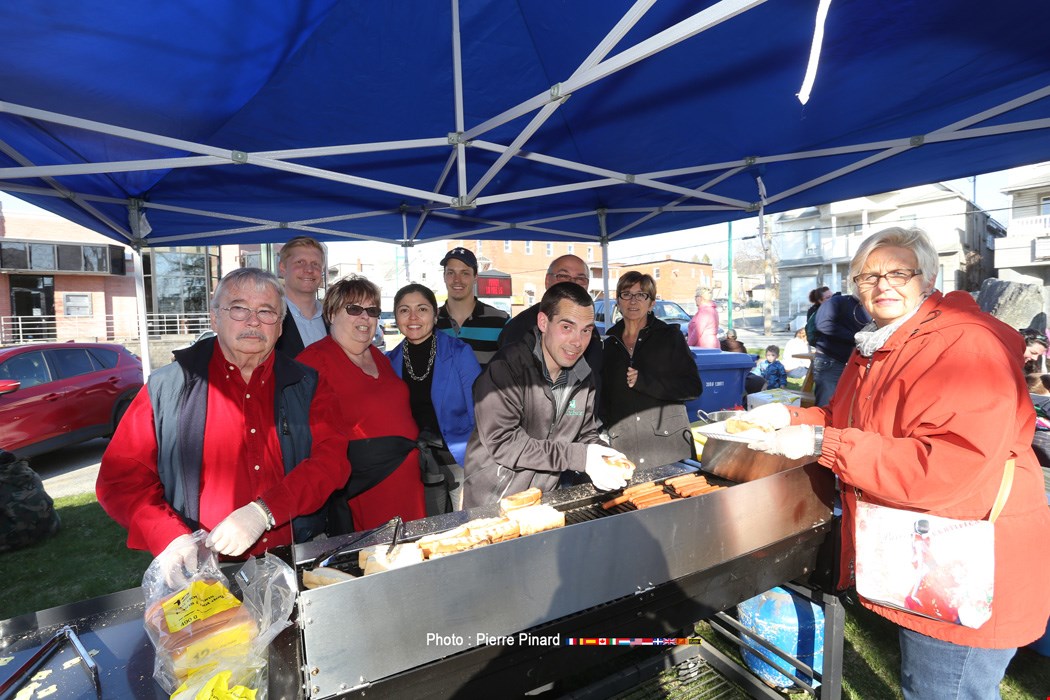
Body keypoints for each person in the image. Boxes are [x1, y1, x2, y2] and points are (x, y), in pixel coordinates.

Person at [741, 227, 1050, 699]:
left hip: (968, 562)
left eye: (898, 272)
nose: (883, 284)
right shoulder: (884, 342)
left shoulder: (964, 344)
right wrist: (788, 415)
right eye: (867, 276)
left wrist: (825, 442)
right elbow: (855, 419)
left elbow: (947, 465)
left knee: (941, 689)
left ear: (927, 277)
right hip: (920, 552)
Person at [96, 268, 348, 584]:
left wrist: (264, 512)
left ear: (281, 328)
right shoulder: (166, 388)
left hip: (294, 559)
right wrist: (169, 536)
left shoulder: (308, 384)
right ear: (215, 319)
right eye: (239, 308)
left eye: (267, 312)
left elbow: (331, 461)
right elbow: (121, 480)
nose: (253, 321)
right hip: (203, 572)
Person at [463, 283, 630, 507]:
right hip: (494, 502)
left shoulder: (583, 376)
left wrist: (606, 457)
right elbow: (504, 442)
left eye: (586, 330)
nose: (577, 342)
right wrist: (581, 457)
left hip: (542, 499)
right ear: (543, 322)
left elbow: (584, 434)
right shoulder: (507, 369)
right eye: (567, 327)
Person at [297, 275, 426, 532]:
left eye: (371, 310)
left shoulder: (379, 356)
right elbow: (300, 438)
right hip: (363, 490)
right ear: (332, 314)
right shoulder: (312, 362)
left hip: (408, 486)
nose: (365, 317)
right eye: (354, 309)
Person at [387, 283, 481, 514]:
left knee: (466, 526)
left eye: (422, 309)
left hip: (460, 458)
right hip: (415, 462)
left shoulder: (459, 352)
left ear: (436, 314)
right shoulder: (388, 361)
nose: (413, 317)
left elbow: (480, 411)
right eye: (404, 310)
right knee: (426, 529)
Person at [601, 272, 702, 467]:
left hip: (668, 448)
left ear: (652, 303)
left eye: (641, 295)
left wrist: (645, 382)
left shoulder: (669, 337)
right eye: (626, 294)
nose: (633, 301)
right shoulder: (608, 343)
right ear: (618, 301)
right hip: (624, 448)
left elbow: (692, 387)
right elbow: (604, 398)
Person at [498, 253, 602, 380]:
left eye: (580, 278)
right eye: (563, 276)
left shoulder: (589, 328)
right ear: (547, 281)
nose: (572, 283)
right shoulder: (519, 328)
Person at [436, 247, 508, 366]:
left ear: (475, 277)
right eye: (451, 273)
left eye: (465, 273)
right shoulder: (429, 322)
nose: (457, 280)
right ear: (444, 276)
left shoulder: (501, 321)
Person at [811, 291, 870, 405]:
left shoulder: (873, 307)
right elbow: (823, 324)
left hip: (857, 362)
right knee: (826, 404)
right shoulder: (837, 301)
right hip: (830, 361)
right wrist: (854, 336)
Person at [275, 236, 329, 357]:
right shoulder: (269, 318)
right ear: (283, 267)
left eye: (315, 264)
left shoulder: (334, 320)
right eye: (300, 262)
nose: (309, 269)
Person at [804, 286, 831, 351]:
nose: (832, 299)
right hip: (823, 347)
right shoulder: (818, 311)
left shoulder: (814, 309)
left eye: (832, 296)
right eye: (828, 297)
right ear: (820, 300)